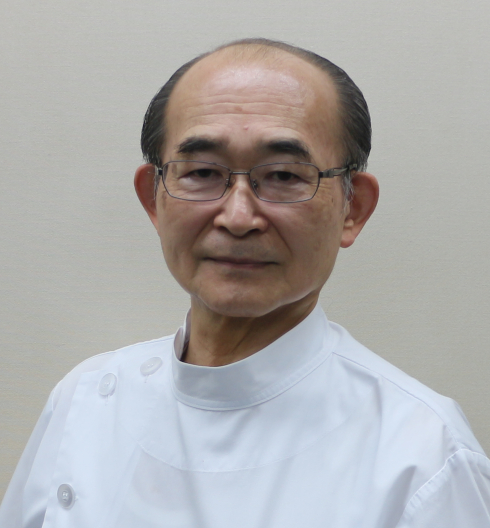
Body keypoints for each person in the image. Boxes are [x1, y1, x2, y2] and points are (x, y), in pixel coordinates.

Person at [1, 38, 489, 528]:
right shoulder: (84, 402)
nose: (237, 217)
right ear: (154, 199)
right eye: (202, 172)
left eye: (283, 175)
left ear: (352, 209)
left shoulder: (424, 457)